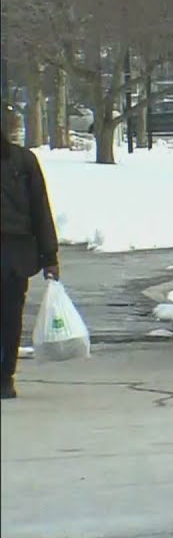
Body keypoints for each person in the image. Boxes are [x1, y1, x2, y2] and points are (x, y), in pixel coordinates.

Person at [1, 103, 59, 400]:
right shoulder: (24, 162)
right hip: (16, 255)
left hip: (14, 251)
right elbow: (41, 212)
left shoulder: (24, 163)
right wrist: (50, 258)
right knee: (10, 317)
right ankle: (4, 377)